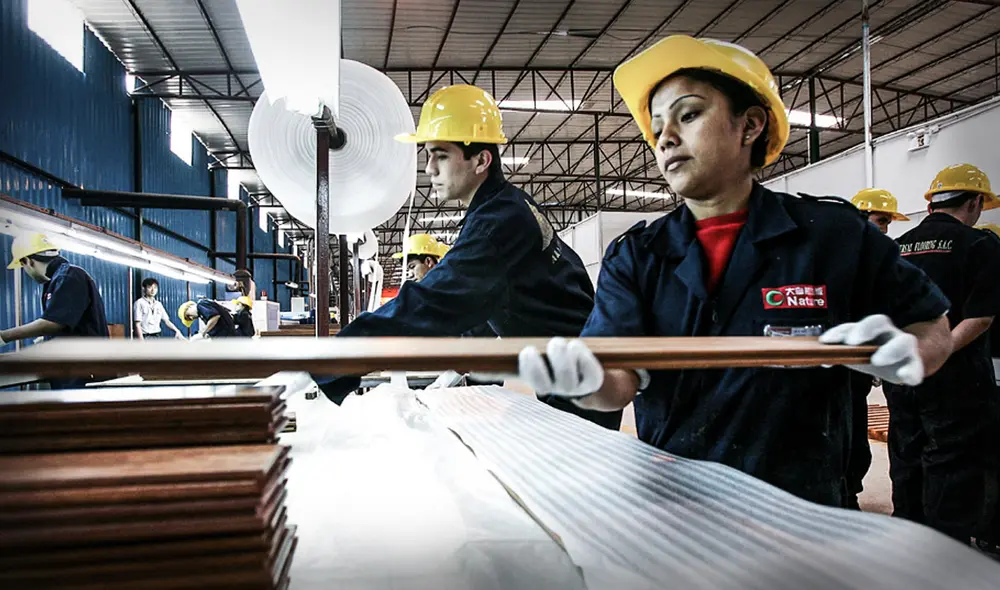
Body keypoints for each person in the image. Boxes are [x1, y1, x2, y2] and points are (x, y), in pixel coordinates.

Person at [515, 36, 953, 508]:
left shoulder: (832, 235)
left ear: (749, 125)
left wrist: (906, 354)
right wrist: (585, 382)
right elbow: (617, 378)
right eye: (657, 127)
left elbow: (932, 326)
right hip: (676, 502)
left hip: (804, 506)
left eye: (688, 115)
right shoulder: (638, 255)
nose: (664, 139)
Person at [313, 84, 617, 430]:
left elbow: (432, 301)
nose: (428, 169)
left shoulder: (497, 223)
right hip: (572, 370)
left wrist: (333, 362)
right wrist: (466, 351)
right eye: (427, 155)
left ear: (481, 160)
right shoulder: (505, 207)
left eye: (440, 154)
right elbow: (490, 295)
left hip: (582, 381)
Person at [882, 163, 1000, 543]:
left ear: (933, 203)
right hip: (956, 375)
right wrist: (937, 353)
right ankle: (943, 550)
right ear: (976, 201)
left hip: (902, 374)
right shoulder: (980, 244)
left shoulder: (897, 247)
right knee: (952, 460)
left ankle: (907, 536)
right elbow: (980, 317)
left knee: (906, 453)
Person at [847, 188, 910, 507]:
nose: (884, 229)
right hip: (837, 366)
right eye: (880, 220)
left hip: (858, 367)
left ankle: (848, 495)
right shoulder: (842, 256)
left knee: (855, 436)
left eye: (887, 223)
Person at [0, 233, 109, 389]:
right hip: (73, 370)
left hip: (83, 373)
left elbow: (55, 322)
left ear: (27, 261)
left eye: (22, 267)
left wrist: (4, 336)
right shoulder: (59, 279)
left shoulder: (68, 276)